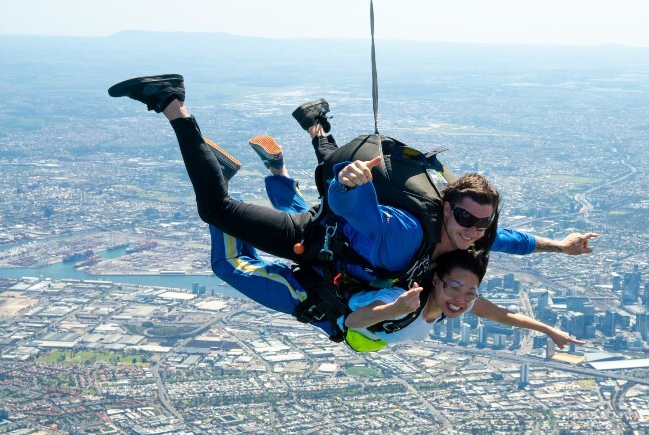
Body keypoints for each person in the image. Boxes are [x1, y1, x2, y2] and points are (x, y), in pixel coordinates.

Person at [107, 74, 598, 284]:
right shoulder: (407, 236)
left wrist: (561, 246)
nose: (474, 229)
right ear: (447, 206)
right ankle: (173, 104)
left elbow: (510, 240)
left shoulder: (472, 238)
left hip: (338, 229)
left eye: (480, 224)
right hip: (317, 234)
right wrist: (350, 184)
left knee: (328, 165)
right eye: (466, 217)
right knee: (218, 211)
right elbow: (351, 210)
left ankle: (317, 125)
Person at [207, 165, 581, 352]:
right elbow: (354, 319)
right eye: (459, 289)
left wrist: (547, 329)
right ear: (436, 280)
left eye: (470, 294)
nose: (463, 300)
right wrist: (393, 309)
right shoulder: (409, 300)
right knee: (231, 265)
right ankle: (222, 195)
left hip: (335, 287)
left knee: (313, 226)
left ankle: (277, 175)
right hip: (321, 305)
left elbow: (504, 310)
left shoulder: (456, 296)